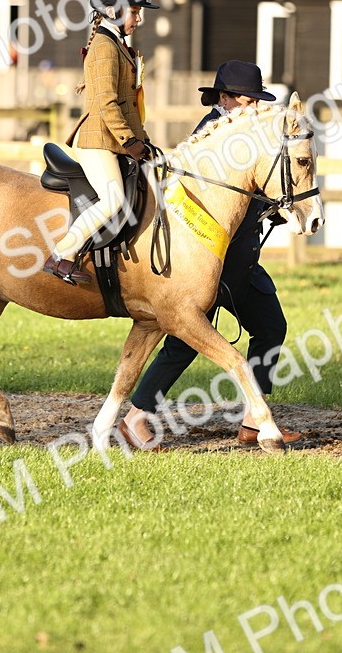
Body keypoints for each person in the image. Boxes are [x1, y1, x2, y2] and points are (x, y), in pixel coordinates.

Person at [117, 61, 303, 450]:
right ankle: (136, 418)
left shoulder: (247, 136)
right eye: (248, 100)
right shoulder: (211, 134)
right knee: (184, 342)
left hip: (241, 263)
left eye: (257, 100)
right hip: (206, 263)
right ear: (225, 99)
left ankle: (254, 420)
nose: (255, 107)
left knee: (271, 326)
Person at [43, 0, 160, 284]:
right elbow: (107, 104)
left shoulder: (117, 45)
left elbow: (129, 104)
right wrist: (131, 143)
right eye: (135, 10)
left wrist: (144, 141)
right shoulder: (104, 48)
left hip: (112, 139)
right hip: (98, 140)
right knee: (113, 200)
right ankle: (62, 255)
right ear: (113, 10)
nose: (139, 19)